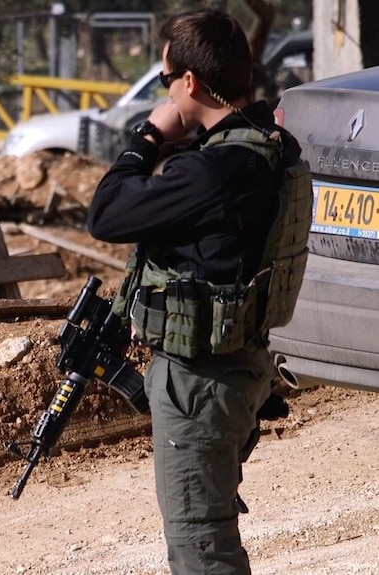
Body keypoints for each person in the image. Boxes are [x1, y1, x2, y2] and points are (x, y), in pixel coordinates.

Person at [87, 9, 311, 575]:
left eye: (166, 82)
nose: (165, 95)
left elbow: (106, 212)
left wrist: (149, 135)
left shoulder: (210, 172)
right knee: (209, 533)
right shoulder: (273, 147)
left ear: (188, 82)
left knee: (201, 549)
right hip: (238, 371)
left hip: (201, 384)